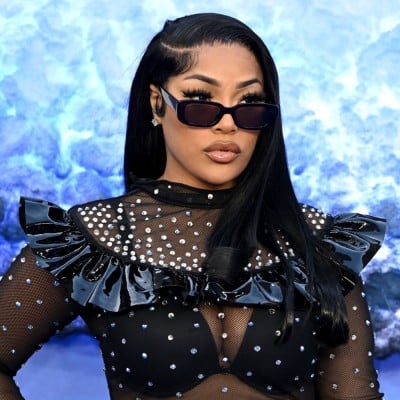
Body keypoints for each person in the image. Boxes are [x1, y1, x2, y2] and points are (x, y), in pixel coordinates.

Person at [0, 12, 386, 400]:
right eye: (201, 101)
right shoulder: (91, 238)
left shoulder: (319, 241)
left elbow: (354, 394)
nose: (228, 125)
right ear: (157, 103)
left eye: (249, 102)